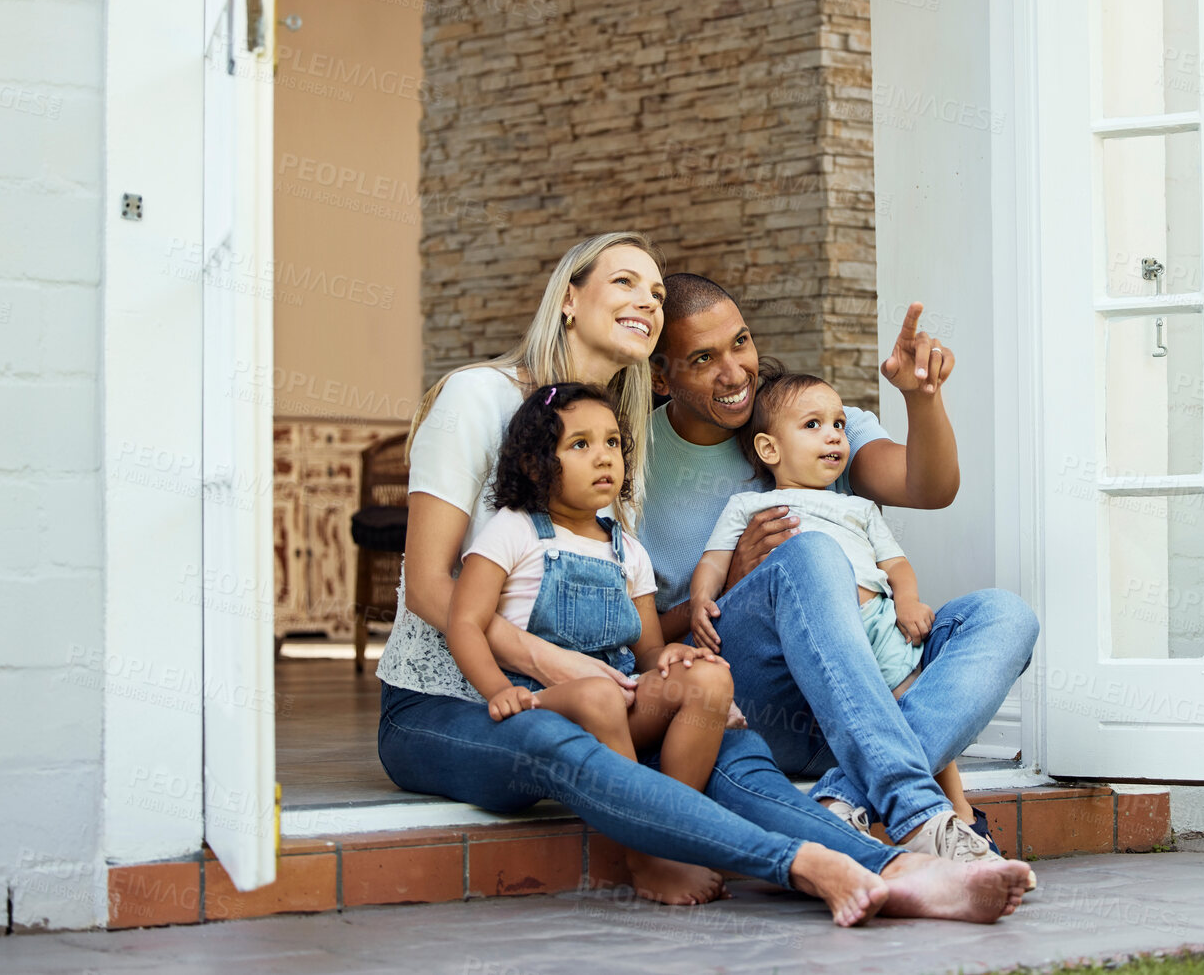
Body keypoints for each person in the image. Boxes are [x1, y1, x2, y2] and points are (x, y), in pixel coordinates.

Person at [376, 231, 1033, 925]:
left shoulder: (616, 438)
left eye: (654, 291)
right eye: (624, 282)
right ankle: (810, 863)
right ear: (568, 297)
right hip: (453, 701)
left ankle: (898, 867)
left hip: (610, 693)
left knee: (733, 745)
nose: (645, 300)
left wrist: (669, 660)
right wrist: (556, 664)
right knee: (556, 740)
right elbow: (426, 587)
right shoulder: (477, 397)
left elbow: (629, 622)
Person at [644, 273, 1041, 863]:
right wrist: (735, 584)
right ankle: (918, 808)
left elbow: (929, 488)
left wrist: (921, 397)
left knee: (1005, 615)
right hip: (756, 705)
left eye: (741, 342)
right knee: (809, 554)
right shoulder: (628, 458)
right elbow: (635, 635)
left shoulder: (813, 419)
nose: (734, 372)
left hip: (864, 702)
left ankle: (848, 794)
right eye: (703, 358)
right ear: (660, 376)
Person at [688, 364, 975, 824]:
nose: (834, 437)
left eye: (839, 424)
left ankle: (955, 804)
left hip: (879, 624)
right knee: (814, 561)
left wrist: (907, 601)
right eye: (813, 425)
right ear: (769, 448)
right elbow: (714, 561)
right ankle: (883, 799)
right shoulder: (748, 505)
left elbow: (895, 564)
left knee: (912, 704)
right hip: (807, 631)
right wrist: (703, 599)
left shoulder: (859, 507)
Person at [449, 382, 734, 794]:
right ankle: (645, 837)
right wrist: (498, 691)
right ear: (536, 464)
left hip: (620, 706)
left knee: (709, 679)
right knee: (599, 696)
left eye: (613, 442)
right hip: (541, 707)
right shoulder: (514, 530)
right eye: (580, 445)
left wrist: (671, 655)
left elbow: (648, 653)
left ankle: (678, 816)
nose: (604, 456)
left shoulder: (629, 552)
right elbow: (464, 622)